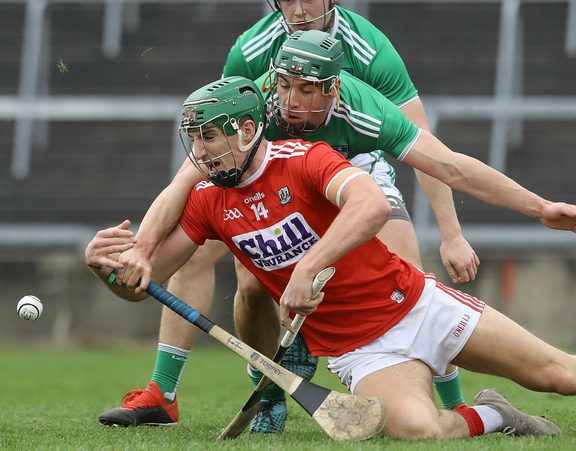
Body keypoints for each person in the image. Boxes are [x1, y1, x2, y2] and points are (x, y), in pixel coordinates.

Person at [86, 76, 576, 439]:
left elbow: (372, 207)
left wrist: (306, 266)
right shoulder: (207, 200)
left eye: (211, 136)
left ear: (245, 128)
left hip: (419, 304)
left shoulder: (307, 158)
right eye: (193, 140)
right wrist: (117, 271)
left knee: (563, 373)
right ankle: (496, 416)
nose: (201, 151)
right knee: (419, 432)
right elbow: (151, 280)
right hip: (360, 352)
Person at [98, 0, 478, 432]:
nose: (298, 9)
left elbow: (426, 148)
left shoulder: (370, 48)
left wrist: (451, 233)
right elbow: (202, 161)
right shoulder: (252, 48)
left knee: (409, 279)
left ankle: (457, 401)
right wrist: (143, 249)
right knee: (215, 266)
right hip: (265, 174)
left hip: (353, 171)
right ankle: (176, 393)